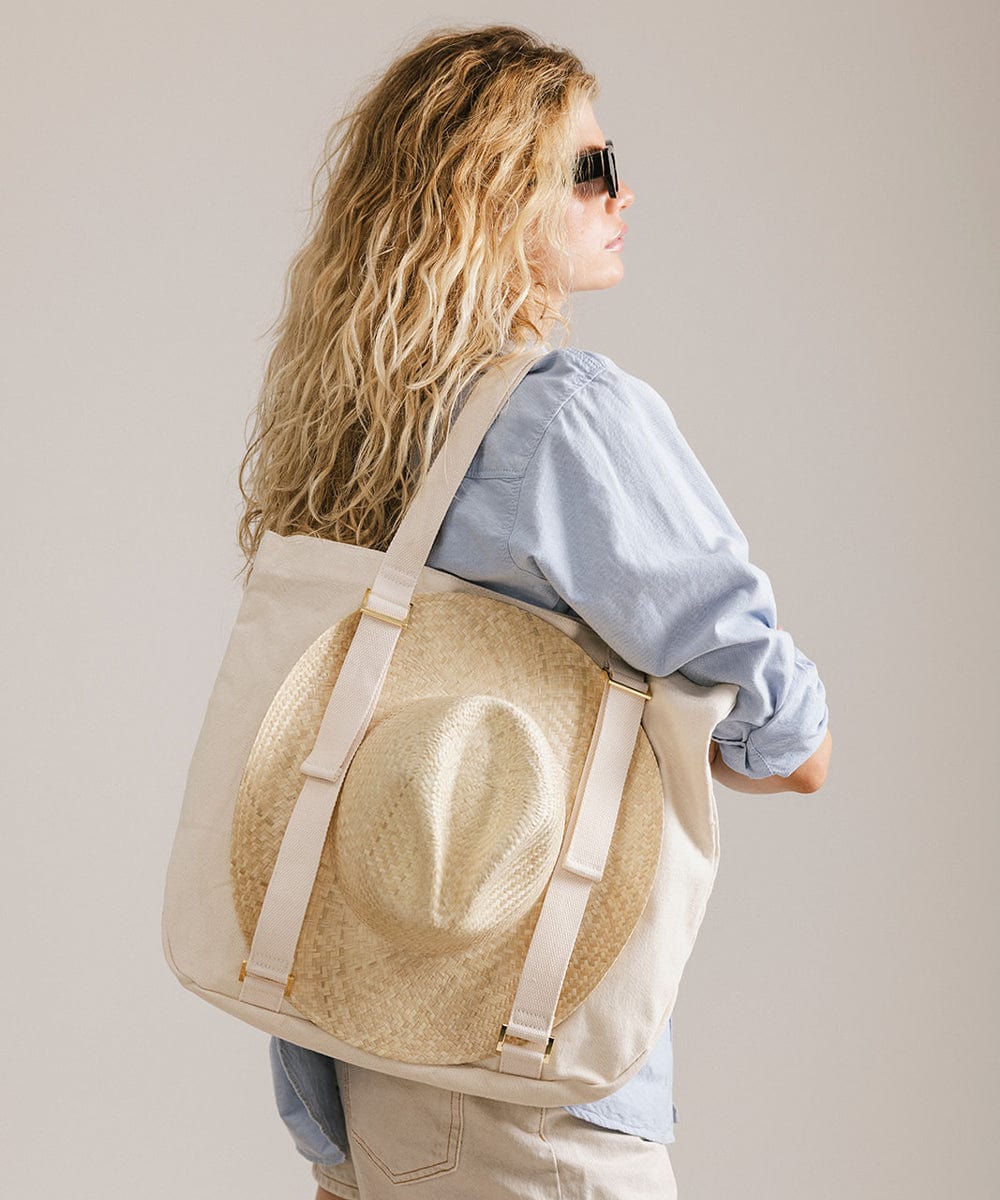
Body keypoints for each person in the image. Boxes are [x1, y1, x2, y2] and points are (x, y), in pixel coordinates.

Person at [236, 23, 832, 1200]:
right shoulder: (564, 417)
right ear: (498, 197)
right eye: (594, 166)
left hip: (359, 1067)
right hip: (524, 1087)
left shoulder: (353, 434)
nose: (622, 192)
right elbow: (789, 738)